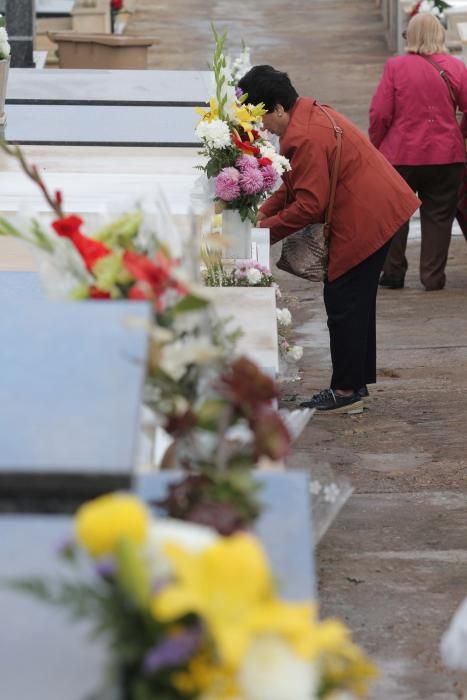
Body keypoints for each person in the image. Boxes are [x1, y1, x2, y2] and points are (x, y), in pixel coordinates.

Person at [238, 66, 420, 415]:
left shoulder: (303, 136)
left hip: (367, 216)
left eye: (261, 117)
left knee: (344, 301)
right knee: (355, 301)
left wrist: (264, 232)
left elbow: (309, 204)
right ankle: (356, 381)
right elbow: (295, 183)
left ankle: (345, 389)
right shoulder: (308, 115)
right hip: (378, 205)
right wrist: (263, 211)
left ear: (277, 107)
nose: (261, 127)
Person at [369, 12, 467, 291]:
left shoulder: (396, 67)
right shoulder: (457, 67)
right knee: (439, 215)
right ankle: (432, 277)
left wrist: (376, 145)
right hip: (446, 156)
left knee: (394, 212)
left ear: (409, 36)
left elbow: (380, 113)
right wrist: (459, 134)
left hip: (401, 155)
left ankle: (394, 272)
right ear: (440, 34)